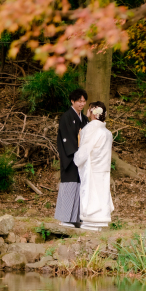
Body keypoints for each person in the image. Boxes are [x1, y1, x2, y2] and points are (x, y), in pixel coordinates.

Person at [74, 101, 114, 231]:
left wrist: (77, 158)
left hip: (92, 167)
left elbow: (85, 150)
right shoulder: (107, 132)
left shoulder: (90, 129)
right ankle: (100, 221)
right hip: (104, 168)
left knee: (91, 191)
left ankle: (91, 220)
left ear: (92, 113)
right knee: (101, 192)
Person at [55, 88, 89, 228]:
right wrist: (76, 154)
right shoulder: (66, 117)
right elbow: (67, 138)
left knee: (80, 187)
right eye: (79, 101)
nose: (82, 104)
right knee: (69, 186)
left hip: (81, 158)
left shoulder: (84, 119)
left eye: (84, 101)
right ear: (72, 101)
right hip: (70, 158)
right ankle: (65, 218)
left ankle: (76, 218)